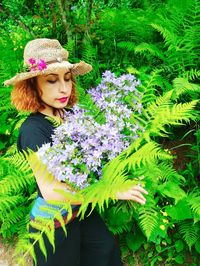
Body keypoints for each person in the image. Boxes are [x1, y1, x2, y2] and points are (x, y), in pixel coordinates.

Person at [4, 38, 148, 266]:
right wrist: (110, 191)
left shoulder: (70, 115)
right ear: (32, 86)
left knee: (106, 252)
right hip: (53, 225)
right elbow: (51, 191)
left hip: (81, 210)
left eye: (67, 78)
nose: (64, 88)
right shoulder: (33, 130)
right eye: (52, 80)